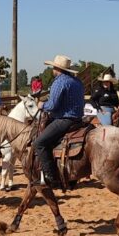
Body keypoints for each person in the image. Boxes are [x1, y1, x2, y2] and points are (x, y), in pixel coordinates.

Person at [33, 55, 85, 188]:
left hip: (64, 120)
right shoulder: (77, 81)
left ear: (56, 68)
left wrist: (41, 105)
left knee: (39, 143)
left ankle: (51, 177)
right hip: (78, 120)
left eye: (53, 67)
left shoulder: (59, 82)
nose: (52, 70)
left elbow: (52, 106)